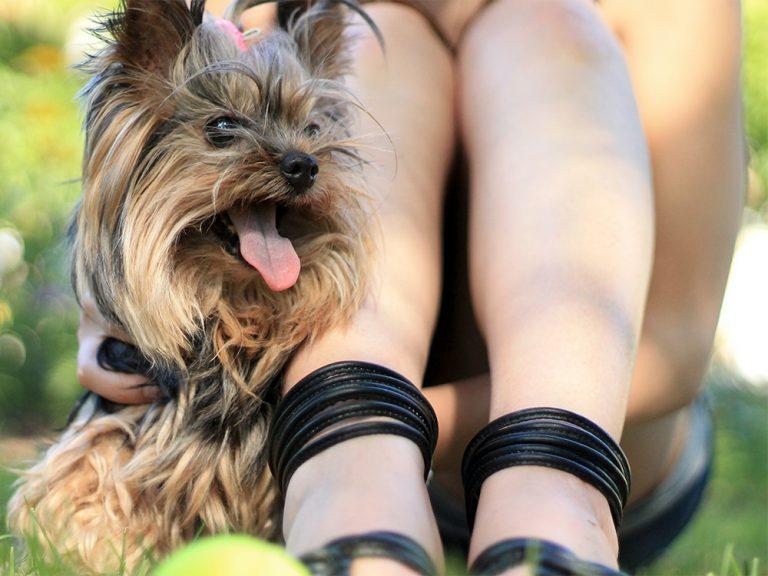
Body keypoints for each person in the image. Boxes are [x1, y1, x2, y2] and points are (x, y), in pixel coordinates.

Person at [77, 0, 745, 573]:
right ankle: (354, 485)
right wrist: (112, 312)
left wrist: (398, 419)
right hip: (320, 441)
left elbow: (674, 352)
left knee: (542, 21)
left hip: (610, 446)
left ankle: (550, 499)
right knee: (382, 37)